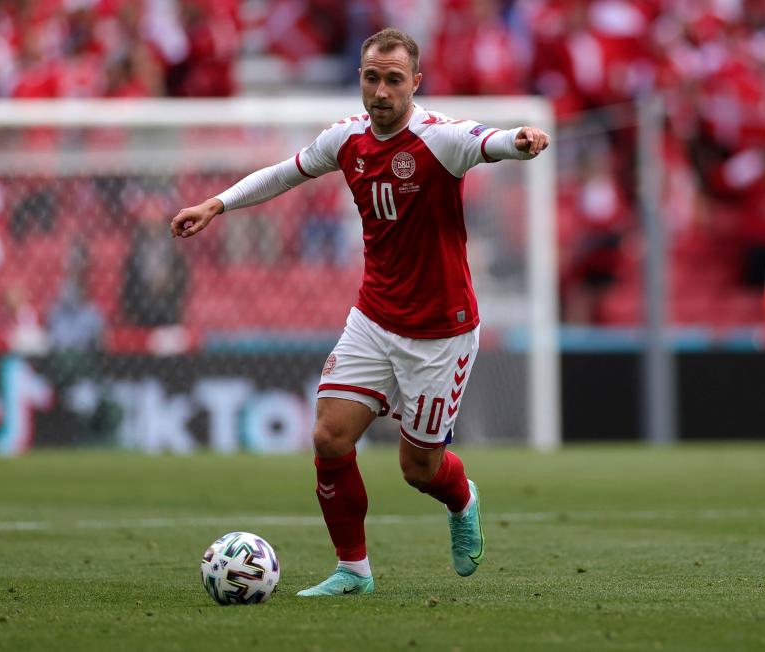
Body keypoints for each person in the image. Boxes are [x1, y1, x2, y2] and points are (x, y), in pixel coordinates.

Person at [170, 27, 550, 596]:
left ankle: (464, 497)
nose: (380, 91)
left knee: (418, 469)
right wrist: (216, 204)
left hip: (440, 333)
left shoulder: (439, 138)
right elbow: (284, 172)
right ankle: (354, 570)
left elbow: (489, 141)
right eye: (371, 78)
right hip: (373, 318)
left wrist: (521, 140)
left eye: (393, 80)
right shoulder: (346, 139)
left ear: (414, 83)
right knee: (328, 436)